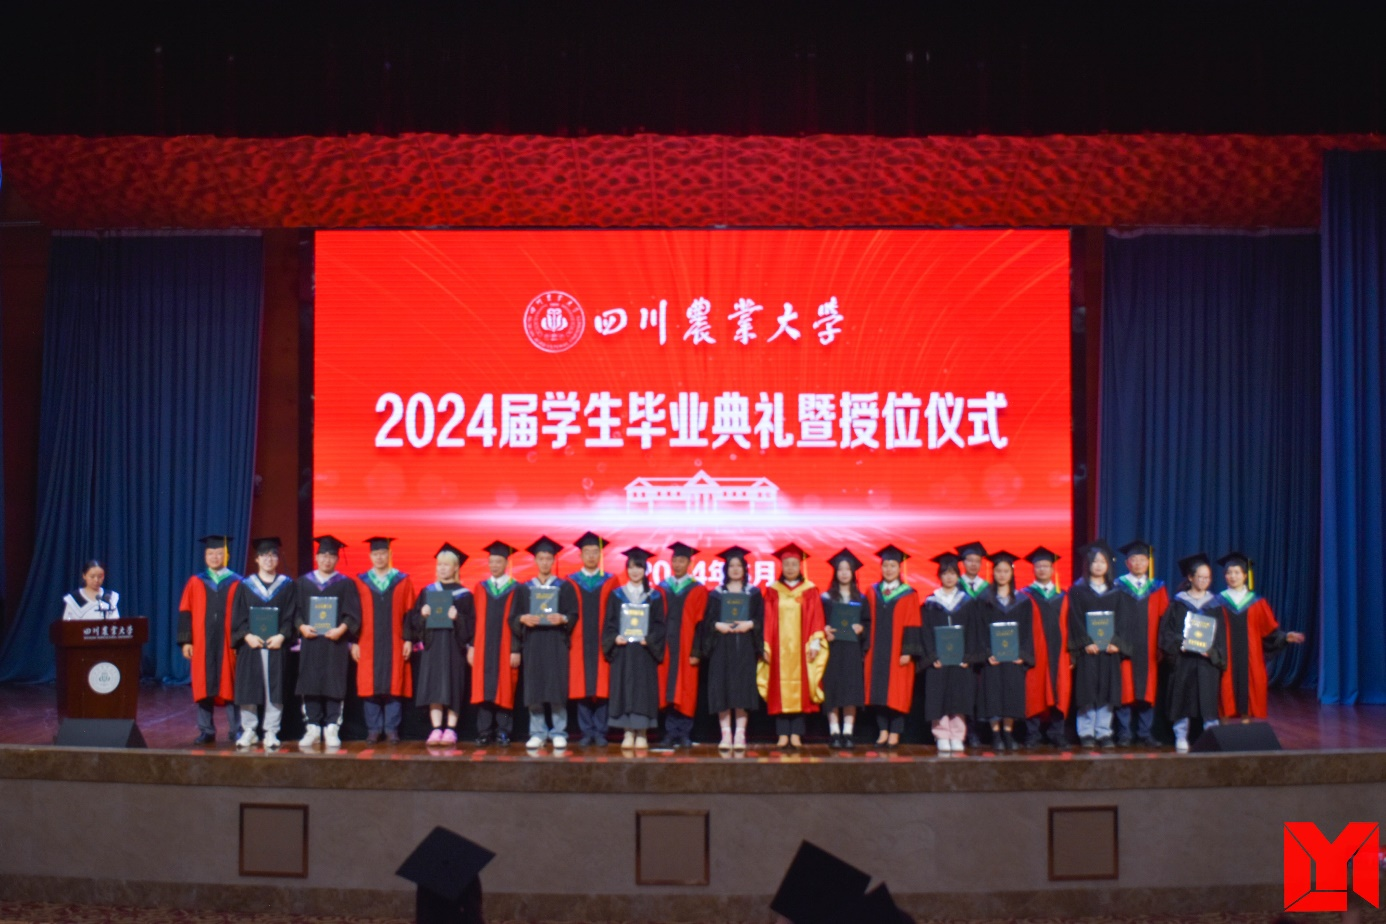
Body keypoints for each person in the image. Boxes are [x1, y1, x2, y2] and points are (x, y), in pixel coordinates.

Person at [1216, 552, 1305, 721]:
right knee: (1224, 693)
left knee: (1249, 694)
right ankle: (1223, 730)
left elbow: (1269, 632)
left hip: (1251, 658)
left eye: (1237, 572)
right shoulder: (1217, 602)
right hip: (1226, 658)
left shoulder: (1257, 602)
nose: (1233, 576)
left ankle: (1247, 728)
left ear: (1245, 575)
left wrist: (1285, 637)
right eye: (1229, 572)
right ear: (1225, 576)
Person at [294, 535, 361, 749]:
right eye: (323, 555)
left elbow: (353, 613)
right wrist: (302, 627)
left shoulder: (345, 583)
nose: (327, 559)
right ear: (316, 557)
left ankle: (332, 727)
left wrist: (341, 629)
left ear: (337, 559)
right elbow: (295, 611)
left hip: (335, 644)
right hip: (311, 642)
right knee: (310, 683)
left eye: (331, 556)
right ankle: (312, 728)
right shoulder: (304, 582)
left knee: (334, 684)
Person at [230, 537, 297, 751]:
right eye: (264, 555)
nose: (269, 559)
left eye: (273, 555)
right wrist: (246, 635)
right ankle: (249, 730)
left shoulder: (287, 585)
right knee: (248, 687)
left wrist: (282, 636)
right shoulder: (245, 586)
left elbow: (291, 615)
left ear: (277, 559)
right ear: (257, 559)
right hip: (251, 646)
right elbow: (238, 616)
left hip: (276, 646)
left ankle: (271, 731)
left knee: (274, 689)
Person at [761, 543, 827, 750]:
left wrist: (815, 643)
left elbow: (816, 618)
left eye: (794, 564)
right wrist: (766, 646)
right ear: (782, 566)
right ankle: (782, 734)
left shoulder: (810, 590)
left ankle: (796, 733)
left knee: (801, 690)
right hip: (778, 649)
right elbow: (766, 620)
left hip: (802, 649)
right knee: (778, 690)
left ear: (800, 566)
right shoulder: (773, 591)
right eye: (787, 564)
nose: (790, 568)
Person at [1159, 553, 1228, 753]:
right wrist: (1181, 644)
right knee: (1183, 698)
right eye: (1200, 577)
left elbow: (1220, 636)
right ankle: (1181, 736)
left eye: (1208, 577)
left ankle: (1211, 736)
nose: (1204, 581)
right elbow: (1167, 632)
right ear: (1190, 577)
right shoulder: (1178, 603)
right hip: (1184, 661)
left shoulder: (1214, 605)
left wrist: (1212, 652)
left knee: (1208, 700)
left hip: (1206, 662)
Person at [699, 546, 764, 752]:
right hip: (722, 647)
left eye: (739, 566)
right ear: (726, 569)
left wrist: (750, 624)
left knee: (742, 689)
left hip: (744, 647)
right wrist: (717, 625)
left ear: (745, 569)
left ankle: (740, 734)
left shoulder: (753, 593)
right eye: (731, 566)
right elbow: (707, 622)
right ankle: (726, 734)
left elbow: (762, 619)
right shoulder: (716, 594)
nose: (735, 569)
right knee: (723, 688)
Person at [352, 537, 416, 744]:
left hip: (395, 640)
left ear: (389, 554)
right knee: (369, 686)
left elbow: (410, 613)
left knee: (394, 684)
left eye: (383, 553)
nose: (379, 557)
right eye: (375, 554)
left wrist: (408, 639)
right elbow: (354, 615)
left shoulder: (402, 580)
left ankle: (391, 729)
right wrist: (354, 641)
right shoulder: (361, 581)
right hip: (367, 641)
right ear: (370, 556)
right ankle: (373, 729)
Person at [178, 534, 241, 745]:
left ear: (227, 555)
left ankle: (236, 729)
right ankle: (206, 730)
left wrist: (238, 640)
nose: (215, 557)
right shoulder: (195, 581)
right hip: (201, 642)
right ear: (205, 556)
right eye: (211, 553)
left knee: (230, 684)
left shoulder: (237, 582)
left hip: (228, 642)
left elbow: (243, 614)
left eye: (219, 553)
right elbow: (185, 611)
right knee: (203, 684)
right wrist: (186, 641)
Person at [517, 536, 578, 750]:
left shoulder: (564, 587)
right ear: (535, 560)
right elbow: (514, 616)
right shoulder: (525, 588)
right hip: (533, 643)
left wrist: (563, 619)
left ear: (553, 561)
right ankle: (538, 732)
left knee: (556, 687)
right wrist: (523, 619)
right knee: (535, 688)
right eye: (541, 558)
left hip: (555, 643)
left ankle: (559, 731)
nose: (544, 562)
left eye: (548, 559)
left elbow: (573, 614)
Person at [603, 547, 667, 750]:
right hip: (624, 651)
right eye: (631, 567)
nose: (635, 571)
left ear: (645, 570)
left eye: (639, 567)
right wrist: (615, 638)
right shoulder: (617, 595)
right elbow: (609, 624)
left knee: (642, 691)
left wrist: (650, 639)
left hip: (644, 652)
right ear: (626, 569)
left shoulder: (654, 596)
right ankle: (628, 732)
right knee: (624, 689)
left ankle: (642, 733)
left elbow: (660, 626)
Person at [409, 543, 473, 745]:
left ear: (455, 568)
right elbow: (414, 622)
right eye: (439, 565)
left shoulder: (464, 594)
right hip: (433, 645)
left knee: (453, 685)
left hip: (454, 647)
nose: (442, 568)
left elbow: (472, 625)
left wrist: (458, 618)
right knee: (434, 686)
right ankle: (436, 728)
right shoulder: (428, 591)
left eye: (447, 565)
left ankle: (451, 729)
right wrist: (422, 615)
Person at [1067, 540, 1126, 749]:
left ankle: (1103, 731)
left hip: (1109, 650)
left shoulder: (1117, 592)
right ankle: (1086, 732)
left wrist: (1116, 643)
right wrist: (1085, 643)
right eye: (1095, 561)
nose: (1099, 565)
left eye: (1102, 561)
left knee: (1107, 691)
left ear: (1108, 565)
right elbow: (1074, 619)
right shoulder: (1077, 591)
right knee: (1087, 691)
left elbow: (1123, 620)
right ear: (1088, 564)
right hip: (1089, 651)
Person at [864, 545, 923, 749]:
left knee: (897, 694)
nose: (888, 569)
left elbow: (913, 623)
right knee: (878, 692)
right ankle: (883, 731)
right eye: (886, 565)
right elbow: (866, 621)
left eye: (893, 565)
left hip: (898, 652)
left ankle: (895, 731)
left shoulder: (909, 594)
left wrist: (908, 650)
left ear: (899, 568)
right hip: (876, 651)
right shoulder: (872, 592)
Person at [974, 551, 1033, 751]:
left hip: (1013, 658)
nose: (1002, 575)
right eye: (998, 571)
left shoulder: (1022, 601)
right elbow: (979, 631)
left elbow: (1027, 631)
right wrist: (987, 654)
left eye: (1006, 571)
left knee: (1011, 694)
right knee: (993, 694)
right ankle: (996, 734)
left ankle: (1008, 733)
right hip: (993, 658)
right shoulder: (984, 600)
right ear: (993, 573)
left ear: (1011, 573)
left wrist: (1022, 654)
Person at [919, 552, 975, 753]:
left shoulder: (967, 602)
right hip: (939, 661)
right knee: (939, 697)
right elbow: (925, 632)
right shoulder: (931, 602)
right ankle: (942, 734)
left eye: (952, 573)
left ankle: (958, 735)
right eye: (945, 573)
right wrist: (932, 657)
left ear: (958, 576)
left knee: (959, 696)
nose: (949, 577)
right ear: (939, 576)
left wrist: (968, 656)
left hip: (960, 660)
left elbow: (973, 631)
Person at [471, 541, 526, 747]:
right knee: (483, 689)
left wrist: (515, 649)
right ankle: (484, 731)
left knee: (505, 689)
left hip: (505, 647)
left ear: (506, 563)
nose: (494, 565)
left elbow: (518, 621)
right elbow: (474, 620)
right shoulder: (480, 588)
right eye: (491, 561)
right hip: (483, 647)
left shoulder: (516, 589)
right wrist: (472, 646)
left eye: (498, 561)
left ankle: (503, 731)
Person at [1114, 540, 1167, 747]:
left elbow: (1164, 619)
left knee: (1147, 691)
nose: (1138, 563)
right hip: (1124, 646)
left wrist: (1161, 646)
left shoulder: (1157, 588)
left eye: (1142, 560)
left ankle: (1145, 733)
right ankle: (1124, 734)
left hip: (1149, 647)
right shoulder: (1117, 587)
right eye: (1134, 560)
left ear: (1148, 562)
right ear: (1127, 563)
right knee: (1125, 690)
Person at [566, 531, 617, 747]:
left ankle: (601, 731)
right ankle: (586, 731)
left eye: (595, 552)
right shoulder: (571, 581)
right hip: (578, 640)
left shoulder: (611, 581)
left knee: (602, 687)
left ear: (600, 555)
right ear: (580, 555)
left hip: (603, 641)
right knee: (582, 686)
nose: (591, 556)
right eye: (587, 552)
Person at [657, 541, 708, 748]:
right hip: (666, 648)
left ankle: (684, 733)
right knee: (668, 690)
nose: (678, 564)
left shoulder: (698, 589)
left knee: (686, 690)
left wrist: (697, 651)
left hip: (687, 648)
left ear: (689, 563)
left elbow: (701, 625)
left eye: (682, 560)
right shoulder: (662, 588)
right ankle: (670, 733)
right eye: (675, 560)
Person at [1020, 547, 1071, 748]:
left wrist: (1073, 655)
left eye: (1046, 566)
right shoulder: (1025, 596)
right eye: (1038, 566)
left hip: (1060, 652)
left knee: (1060, 689)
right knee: (1034, 690)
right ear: (1033, 569)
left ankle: (1057, 732)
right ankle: (1032, 733)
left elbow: (1071, 626)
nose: (1042, 569)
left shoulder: (1063, 595)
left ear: (1052, 569)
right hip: (1035, 651)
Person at [820, 549, 870, 750]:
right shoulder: (826, 598)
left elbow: (867, 623)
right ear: (835, 572)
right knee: (832, 689)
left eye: (847, 569)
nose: (843, 573)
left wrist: (862, 629)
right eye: (840, 569)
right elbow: (819, 622)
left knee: (851, 690)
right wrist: (824, 631)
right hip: (832, 649)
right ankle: (834, 731)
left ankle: (848, 732)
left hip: (852, 649)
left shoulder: (861, 598)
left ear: (853, 573)